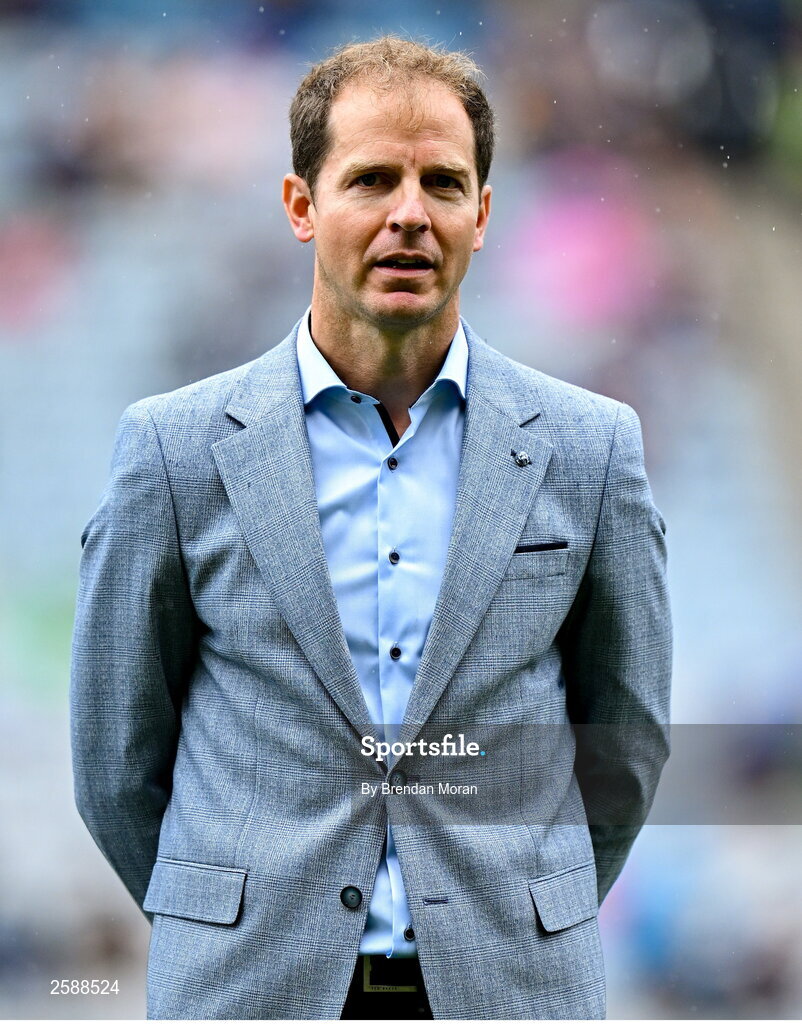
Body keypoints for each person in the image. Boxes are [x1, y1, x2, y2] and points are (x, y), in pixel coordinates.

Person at [70, 36, 671, 1021]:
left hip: (509, 994)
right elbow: (115, 765)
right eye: (370, 179)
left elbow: (623, 748)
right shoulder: (174, 453)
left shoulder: (591, 450)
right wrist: (235, 916)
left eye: (441, 181)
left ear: (481, 215)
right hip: (250, 993)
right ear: (301, 206)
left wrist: (517, 917)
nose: (408, 213)